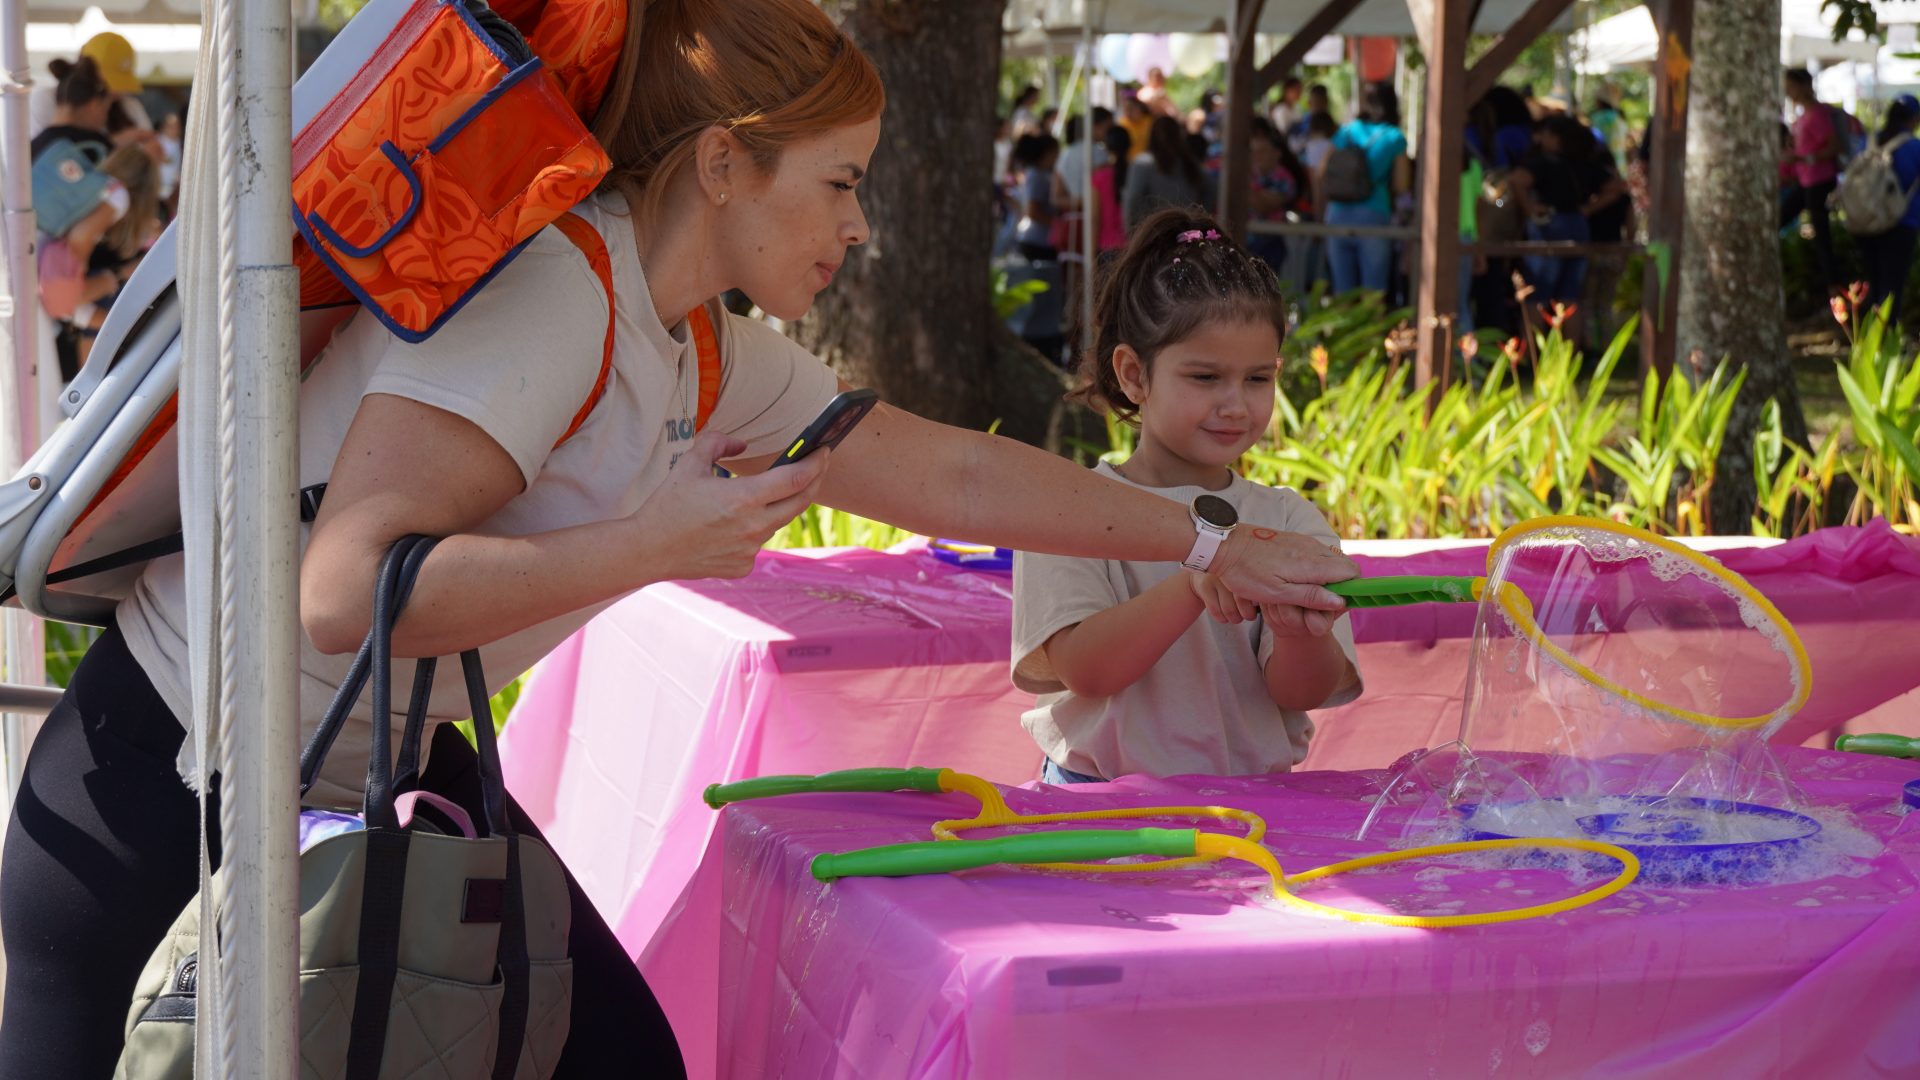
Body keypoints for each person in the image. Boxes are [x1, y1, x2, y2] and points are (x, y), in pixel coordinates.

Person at [0, 3, 1359, 1075]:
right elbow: (343, 592)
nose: (857, 222)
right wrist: (651, 542)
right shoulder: (553, 295)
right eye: (837, 181)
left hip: (363, 784)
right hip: (157, 796)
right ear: (723, 165)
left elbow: (946, 473)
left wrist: (1201, 540)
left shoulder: (709, 348)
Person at [1012, 208, 1362, 784]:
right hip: (1098, 805)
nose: (1235, 404)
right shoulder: (1069, 509)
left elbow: (1304, 692)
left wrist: (1302, 629)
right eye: (1205, 377)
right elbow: (1087, 671)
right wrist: (1201, 575)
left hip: (1258, 807)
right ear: (1133, 375)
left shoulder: (1288, 520)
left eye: (1258, 378)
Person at [1319, 81, 1409, 295]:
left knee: (1342, 294)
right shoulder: (1394, 137)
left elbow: (1321, 171)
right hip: (1374, 215)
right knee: (1373, 293)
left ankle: (1342, 330)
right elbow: (1401, 184)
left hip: (1337, 215)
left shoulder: (1347, 132)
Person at [1855, 95, 1920, 325]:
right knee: (1892, 288)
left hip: (1865, 222)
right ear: (1914, 119)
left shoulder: (1867, 142)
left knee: (1874, 282)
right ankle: (1886, 343)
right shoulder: (1914, 147)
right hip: (1902, 222)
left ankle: (1868, 338)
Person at [1782, 67, 1843, 295]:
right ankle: (1830, 287)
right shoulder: (1802, 116)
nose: (1789, 92)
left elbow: (1833, 146)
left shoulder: (1817, 114)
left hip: (1820, 180)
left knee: (1822, 237)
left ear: (1804, 86)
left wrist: (1805, 157)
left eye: (1792, 87)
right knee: (1784, 220)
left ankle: (1835, 291)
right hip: (1805, 181)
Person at [1124, 115, 1215, 232]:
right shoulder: (1190, 163)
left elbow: (1133, 200)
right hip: (1186, 232)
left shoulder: (1143, 164)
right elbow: (1211, 190)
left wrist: (1131, 232)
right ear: (1179, 136)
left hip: (1154, 233)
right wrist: (1199, 218)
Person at [1246, 116, 1308, 273]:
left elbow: (1263, 207)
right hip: (1247, 241)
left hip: (1272, 243)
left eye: (1262, 152)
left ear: (1277, 153)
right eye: (1253, 152)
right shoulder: (1251, 175)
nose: (1256, 157)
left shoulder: (1284, 178)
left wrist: (1243, 184)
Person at [1118, 94, 1156, 159]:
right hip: (1128, 161)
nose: (1128, 113)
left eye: (1131, 109)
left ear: (1139, 108)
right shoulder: (1122, 123)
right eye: (1126, 109)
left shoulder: (1149, 122)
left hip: (1147, 160)